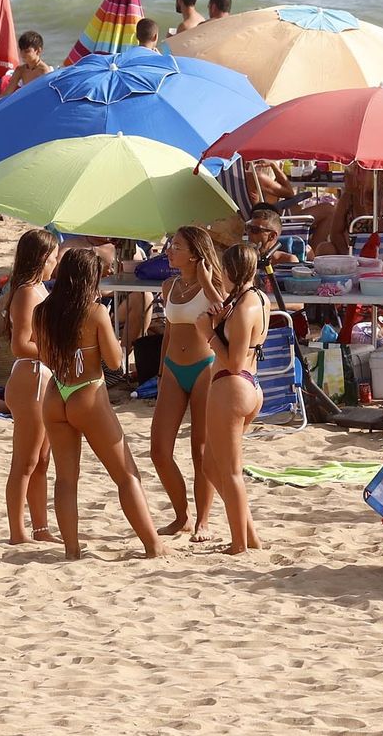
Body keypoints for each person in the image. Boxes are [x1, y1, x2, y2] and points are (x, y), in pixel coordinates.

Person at [35, 248, 163, 559]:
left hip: (56, 393)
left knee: (66, 479)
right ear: (89, 279)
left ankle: (72, 550)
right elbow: (116, 362)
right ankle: (153, 546)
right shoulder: (94, 312)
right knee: (126, 474)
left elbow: (46, 357)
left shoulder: (42, 311)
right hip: (87, 393)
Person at [151, 226, 227, 539]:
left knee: (201, 450)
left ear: (195, 254)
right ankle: (182, 515)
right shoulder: (169, 285)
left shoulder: (214, 286)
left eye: (177, 246)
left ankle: (203, 521)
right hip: (172, 369)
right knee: (159, 450)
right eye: (171, 244)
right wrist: (159, 372)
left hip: (204, 367)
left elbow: (226, 316)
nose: (169, 250)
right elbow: (169, 331)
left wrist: (207, 283)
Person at [198, 242, 269, 553]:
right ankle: (249, 535)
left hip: (232, 387)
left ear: (231, 271)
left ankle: (239, 543)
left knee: (230, 471)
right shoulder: (256, 298)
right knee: (211, 467)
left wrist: (207, 333)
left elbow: (234, 362)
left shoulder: (244, 308)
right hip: (247, 387)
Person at [3, 229, 60, 545]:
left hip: (44, 376)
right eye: (53, 257)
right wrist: (58, 351)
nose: (56, 262)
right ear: (41, 258)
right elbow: (20, 344)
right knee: (25, 462)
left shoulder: (39, 289)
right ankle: (17, 532)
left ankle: (40, 528)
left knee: (41, 461)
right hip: (31, 377)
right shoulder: (26, 292)